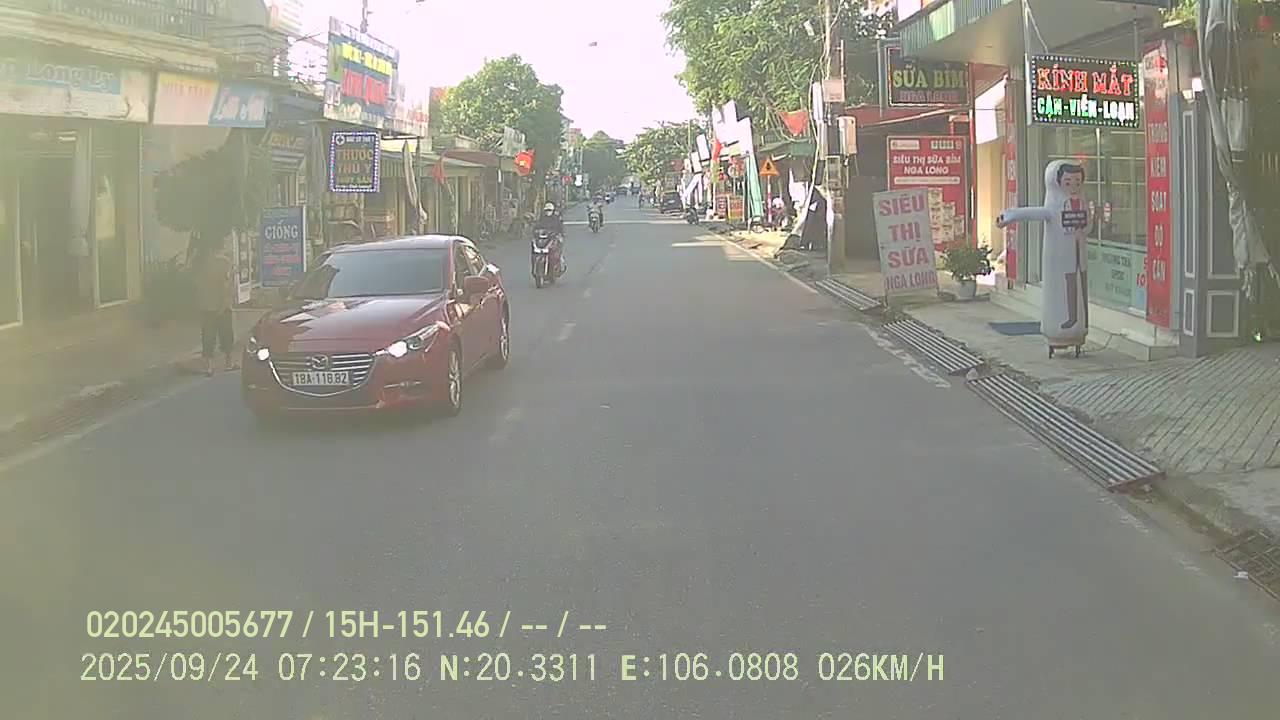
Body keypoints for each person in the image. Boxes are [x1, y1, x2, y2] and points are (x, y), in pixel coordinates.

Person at [194, 238, 236, 377]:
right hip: (223, 306)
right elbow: (227, 284)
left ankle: (209, 367)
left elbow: (197, 284)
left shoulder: (202, 263)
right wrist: (225, 301)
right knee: (226, 335)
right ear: (221, 247)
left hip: (206, 306)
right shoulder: (225, 262)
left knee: (208, 336)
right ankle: (228, 363)